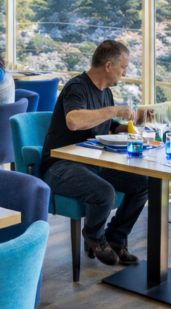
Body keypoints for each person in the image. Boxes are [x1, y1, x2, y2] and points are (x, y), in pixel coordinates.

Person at [39, 40, 150, 266]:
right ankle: (94, 237)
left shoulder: (105, 93)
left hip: (93, 162)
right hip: (60, 166)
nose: (125, 72)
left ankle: (116, 239)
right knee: (104, 193)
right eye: (123, 67)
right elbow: (73, 121)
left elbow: (107, 128)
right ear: (108, 66)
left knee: (144, 183)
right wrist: (115, 109)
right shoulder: (77, 87)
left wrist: (134, 122)